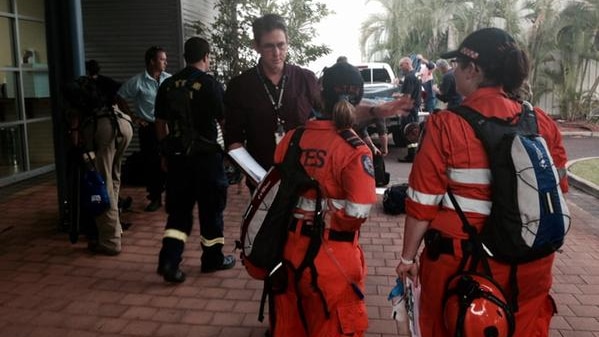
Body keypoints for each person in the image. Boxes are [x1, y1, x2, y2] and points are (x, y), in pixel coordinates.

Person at [395, 28, 569, 337]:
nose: (454, 72)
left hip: (463, 266)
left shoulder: (445, 125)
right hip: (532, 262)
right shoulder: (541, 122)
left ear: (473, 69)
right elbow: (558, 189)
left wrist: (408, 258)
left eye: (458, 65)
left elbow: (422, 204)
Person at [271, 61, 377, 337]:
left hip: (289, 251)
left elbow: (278, 184)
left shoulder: (294, 138)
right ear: (358, 98)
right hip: (333, 258)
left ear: (321, 95)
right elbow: (358, 213)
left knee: (290, 326)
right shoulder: (355, 150)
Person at [154, 37, 235, 283]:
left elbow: (160, 124)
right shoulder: (210, 85)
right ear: (206, 56)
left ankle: (169, 261)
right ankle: (212, 259)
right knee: (212, 211)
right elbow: (224, 122)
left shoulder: (167, 85)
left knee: (178, 214)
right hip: (207, 160)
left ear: (185, 56)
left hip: (178, 160)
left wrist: (165, 153)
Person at [224, 14, 321, 183]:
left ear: (287, 42)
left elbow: (324, 123)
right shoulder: (240, 86)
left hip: (304, 176)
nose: (277, 53)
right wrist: (258, 178)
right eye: (269, 46)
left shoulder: (306, 79)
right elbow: (234, 140)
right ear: (256, 46)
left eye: (281, 45)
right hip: (261, 177)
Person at [66, 59, 133, 255]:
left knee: (102, 185)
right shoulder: (106, 82)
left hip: (102, 128)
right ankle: (116, 229)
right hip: (123, 125)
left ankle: (111, 242)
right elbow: (121, 100)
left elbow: (74, 120)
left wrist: (76, 140)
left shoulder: (79, 88)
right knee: (114, 180)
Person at [117, 46, 171, 212]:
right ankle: (155, 198)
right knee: (152, 163)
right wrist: (133, 117)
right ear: (152, 61)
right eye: (162, 59)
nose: (165, 62)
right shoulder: (138, 81)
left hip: (168, 126)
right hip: (149, 128)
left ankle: (172, 197)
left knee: (171, 160)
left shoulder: (169, 79)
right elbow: (120, 97)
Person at [396, 56, 422, 162]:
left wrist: (397, 96)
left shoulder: (409, 77)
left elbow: (407, 96)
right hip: (414, 107)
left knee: (409, 131)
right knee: (414, 131)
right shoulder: (415, 75)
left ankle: (411, 155)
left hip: (409, 109)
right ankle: (413, 154)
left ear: (407, 63)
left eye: (401, 65)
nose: (401, 68)